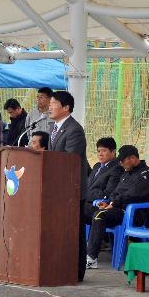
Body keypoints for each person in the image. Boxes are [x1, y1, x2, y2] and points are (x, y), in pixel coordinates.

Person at [85, 145, 149, 270]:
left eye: (123, 160)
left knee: (99, 215)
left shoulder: (146, 174)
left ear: (133, 158)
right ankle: (78, 253)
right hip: (116, 209)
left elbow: (135, 195)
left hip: (133, 214)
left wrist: (113, 204)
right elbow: (115, 192)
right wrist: (108, 202)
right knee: (81, 210)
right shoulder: (126, 174)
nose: (120, 163)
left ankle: (91, 259)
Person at [48, 90, 91, 282]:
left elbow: (69, 161)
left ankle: (76, 271)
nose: (50, 106)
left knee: (75, 231)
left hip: (72, 191)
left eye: (54, 103)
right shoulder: (54, 127)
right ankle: (60, 267)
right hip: (57, 191)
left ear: (66, 108)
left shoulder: (74, 130)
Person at [86, 137, 122, 204]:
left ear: (113, 151)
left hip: (98, 204)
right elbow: (90, 184)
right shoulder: (97, 165)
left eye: (104, 151)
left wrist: (83, 194)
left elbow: (107, 194)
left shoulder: (117, 169)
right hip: (86, 201)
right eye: (99, 151)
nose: (100, 154)